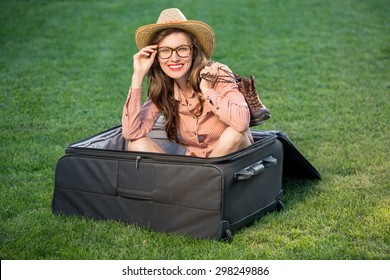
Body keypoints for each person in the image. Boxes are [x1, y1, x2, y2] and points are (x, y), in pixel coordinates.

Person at [122, 8, 254, 158]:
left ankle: (200, 178)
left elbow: (242, 123)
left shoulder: (218, 73)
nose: (174, 58)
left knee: (234, 134)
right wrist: (137, 77)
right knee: (136, 143)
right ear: (156, 56)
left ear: (194, 52)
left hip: (229, 160)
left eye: (182, 49)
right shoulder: (165, 87)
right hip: (194, 167)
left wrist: (206, 89)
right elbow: (132, 132)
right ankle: (192, 179)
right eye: (165, 51)